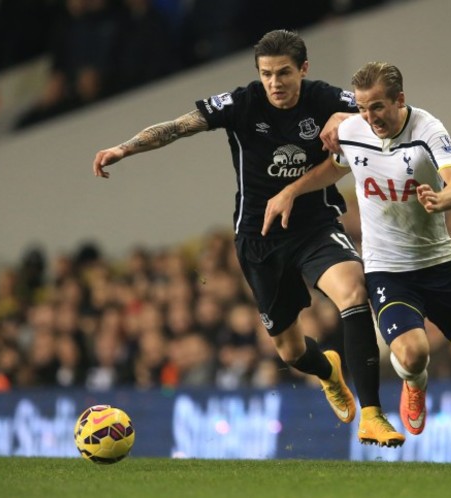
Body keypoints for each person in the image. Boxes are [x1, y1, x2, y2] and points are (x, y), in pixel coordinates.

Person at [92, 30, 404, 447]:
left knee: (352, 291)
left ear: (303, 70)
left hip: (316, 225)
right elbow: (180, 125)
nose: (275, 83)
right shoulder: (242, 103)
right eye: (267, 74)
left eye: (284, 73)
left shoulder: (325, 98)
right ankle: (328, 371)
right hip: (260, 238)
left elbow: (383, 116)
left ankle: (372, 414)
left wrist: (346, 118)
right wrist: (125, 149)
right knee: (291, 353)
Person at [262, 61, 451, 466]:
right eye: (361, 107)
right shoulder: (351, 130)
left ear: (400, 99)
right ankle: (414, 381)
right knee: (412, 353)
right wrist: (291, 190)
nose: (370, 117)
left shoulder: (428, 130)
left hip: (441, 265)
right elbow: (335, 168)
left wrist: (442, 198)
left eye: (377, 106)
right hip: (387, 269)